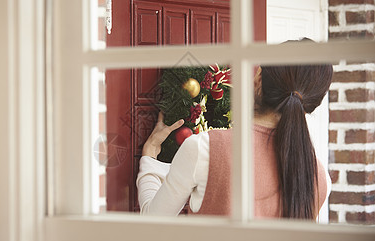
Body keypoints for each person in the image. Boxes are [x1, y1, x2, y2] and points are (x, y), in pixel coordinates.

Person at [137, 64, 333, 220]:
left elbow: (153, 223)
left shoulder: (205, 149)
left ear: (258, 79)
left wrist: (150, 158)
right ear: (312, 104)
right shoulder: (319, 177)